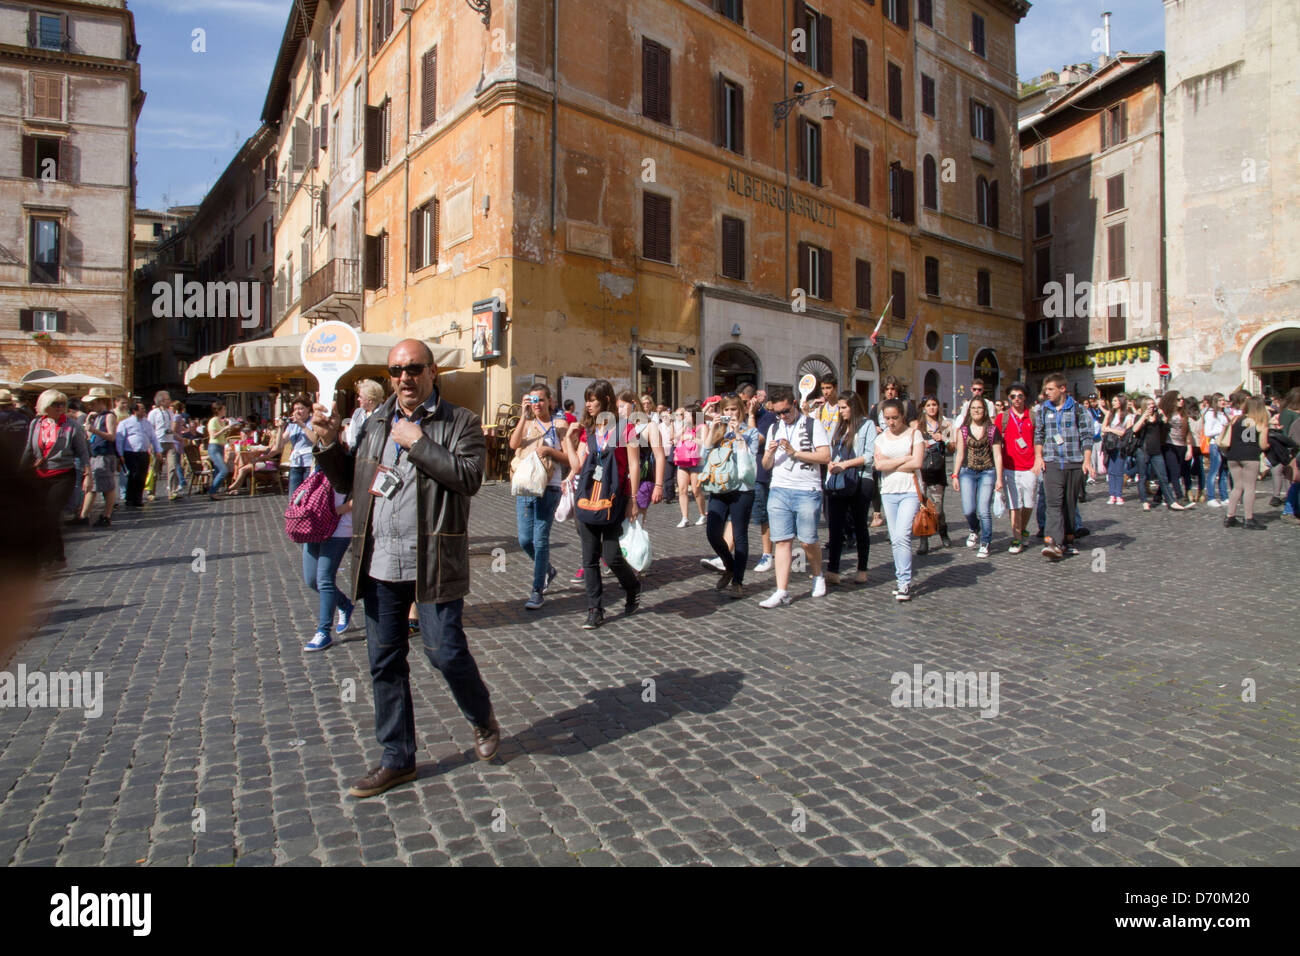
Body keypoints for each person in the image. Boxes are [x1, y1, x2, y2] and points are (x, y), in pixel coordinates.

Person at [310, 338, 499, 798]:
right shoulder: (375, 420)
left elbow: (471, 478)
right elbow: (350, 482)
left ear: (432, 371)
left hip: (433, 558)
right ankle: (398, 759)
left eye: (414, 368)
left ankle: (481, 716)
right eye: (396, 370)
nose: (404, 378)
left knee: (444, 651)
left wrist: (419, 444)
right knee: (384, 661)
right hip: (379, 559)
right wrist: (328, 444)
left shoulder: (460, 422)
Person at [563, 379, 641, 630]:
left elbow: (634, 465)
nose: (588, 404)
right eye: (587, 399)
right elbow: (576, 467)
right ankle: (595, 610)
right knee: (589, 559)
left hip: (613, 500)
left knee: (612, 556)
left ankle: (632, 587)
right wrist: (568, 440)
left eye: (593, 399)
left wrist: (633, 499)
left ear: (606, 400)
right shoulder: (588, 430)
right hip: (586, 499)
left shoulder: (625, 429)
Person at [757, 388, 831, 607]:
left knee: (808, 541)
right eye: (778, 412)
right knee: (781, 541)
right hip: (779, 488)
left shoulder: (812, 425)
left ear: (795, 404)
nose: (782, 416)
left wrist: (795, 453)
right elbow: (765, 466)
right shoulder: (774, 427)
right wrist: (769, 454)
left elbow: (825, 456)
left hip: (807, 489)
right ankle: (782, 591)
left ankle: (818, 575)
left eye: (786, 411)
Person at [509, 383, 568, 610]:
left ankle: (537, 590)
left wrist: (549, 451)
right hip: (525, 486)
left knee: (540, 539)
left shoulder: (559, 424)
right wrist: (523, 417)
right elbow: (513, 445)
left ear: (550, 401)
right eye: (533, 401)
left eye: (541, 400)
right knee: (525, 540)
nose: (537, 405)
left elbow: (566, 458)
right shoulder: (526, 423)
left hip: (549, 487)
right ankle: (547, 570)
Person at [700, 393, 761, 598]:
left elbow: (750, 460)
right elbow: (703, 457)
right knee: (712, 533)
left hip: (742, 489)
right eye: (726, 410)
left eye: (734, 409)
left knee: (740, 535)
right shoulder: (718, 432)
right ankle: (730, 565)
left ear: (741, 411)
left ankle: (738, 581)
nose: (730, 413)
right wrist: (712, 429)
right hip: (719, 488)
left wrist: (739, 435)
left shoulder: (751, 432)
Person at [19, 390, 90, 568]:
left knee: (51, 514)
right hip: (41, 475)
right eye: (55, 405)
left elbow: (82, 452)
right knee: (42, 516)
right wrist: (18, 472)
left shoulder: (71, 425)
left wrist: (88, 475)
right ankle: (58, 557)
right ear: (45, 407)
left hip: (63, 474)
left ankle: (48, 558)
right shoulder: (36, 423)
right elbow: (29, 448)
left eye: (62, 405)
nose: (60, 408)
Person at [1032, 373, 1096, 560]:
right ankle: (1052, 542)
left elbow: (1087, 436)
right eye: (1045, 389)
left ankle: (1067, 541)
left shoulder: (1077, 410)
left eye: (1050, 389)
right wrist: (1039, 457)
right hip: (1051, 462)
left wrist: (1087, 460)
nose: (1047, 393)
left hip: (1074, 462)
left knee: (1069, 505)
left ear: (1062, 389)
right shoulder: (1043, 410)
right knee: (1053, 504)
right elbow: (1039, 435)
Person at [874, 399, 925, 601]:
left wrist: (890, 464)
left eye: (895, 417)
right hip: (888, 491)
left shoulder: (914, 434)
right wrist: (905, 459)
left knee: (903, 535)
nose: (891, 422)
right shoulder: (881, 439)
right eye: (887, 418)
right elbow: (878, 465)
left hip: (910, 489)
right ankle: (900, 579)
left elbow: (918, 462)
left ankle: (904, 582)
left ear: (902, 416)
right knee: (895, 538)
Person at [824, 391, 876, 585]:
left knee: (860, 524)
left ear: (853, 407)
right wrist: (832, 464)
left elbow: (870, 456)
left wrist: (846, 464)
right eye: (839, 408)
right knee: (835, 525)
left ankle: (862, 568)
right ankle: (833, 569)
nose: (841, 411)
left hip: (861, 479)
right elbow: (831, 450)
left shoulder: (867, 425)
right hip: (839, 479)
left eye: (844, 407)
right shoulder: (839, 427)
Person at [302, 478, 356, 652]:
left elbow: (364, 494)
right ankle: (344, 604)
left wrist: (335, 511)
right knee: (312, 580)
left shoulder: (354, 455)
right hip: (315, 523)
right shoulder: (318, 455)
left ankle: (324, 631)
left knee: (324, 579)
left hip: (340, 525)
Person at [951, 396, 1004, 557]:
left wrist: (999, 478)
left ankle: (985, 542)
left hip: (987, 472)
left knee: (983, 509)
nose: (976, 410)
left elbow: (997, 455)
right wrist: (955, 474)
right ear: (969, 411)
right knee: (969, 509)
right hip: (967, 471)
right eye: (973, 408)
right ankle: (974, 528)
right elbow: (960, 454)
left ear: (985, 410)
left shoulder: (992, 429)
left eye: (979, 408)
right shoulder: (964, 430)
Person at [868, 377, 918, 528]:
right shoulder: (877, 407)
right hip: (883, 446)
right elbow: (871, 424)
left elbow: (913, 424)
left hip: (901, 447)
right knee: (877, 480)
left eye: (892, 389)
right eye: (887, 389)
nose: (889, 392)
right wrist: (875, 428)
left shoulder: (906, 405)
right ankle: (877, 513)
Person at [996, 384, 1038, 552]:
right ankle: (1017, 538)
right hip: (1009, 467)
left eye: (1020, 396)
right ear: (1009, 399)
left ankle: (1022, 529)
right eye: (1013, 396)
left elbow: (1038, 440)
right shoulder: (1002, 418)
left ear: (1025, 397)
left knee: (1028, 504)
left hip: (1030, 467)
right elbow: (997, 444)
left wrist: (1038, 462)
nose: (1017, 399)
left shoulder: (1033, 417)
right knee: (1014, 505)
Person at [1222, 396, 1270, 531]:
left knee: (1237, 487)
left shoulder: (1236, 419)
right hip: (1250, 456)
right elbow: (1263, 444)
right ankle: (1248, 519)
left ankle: (1229, 516)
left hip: (1233, 455)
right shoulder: (1260, 422)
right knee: (1249, 488)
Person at [74, 388, 119, 527]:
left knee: (106, 487)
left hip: (105, 454)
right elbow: (90, 437)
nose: (90, 406)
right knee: (92, 486)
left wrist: (93, 430)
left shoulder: (109, 416)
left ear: (100, 402)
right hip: (95, 454)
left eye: (93, 403)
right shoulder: (97, 417)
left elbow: (112, 436)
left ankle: (105, 515)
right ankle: (84, 515)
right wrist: (89, 423)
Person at [916, 397, 954, 554]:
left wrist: (943, 439)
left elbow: (952, 448)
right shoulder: (918, 426)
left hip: (937, 470)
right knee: (923, 507)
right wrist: (920, 445)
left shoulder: (944, 425)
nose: (932, 408)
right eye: (928, 405)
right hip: (922, 470)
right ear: (924, 408)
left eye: (934, 405)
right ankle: (923, 541)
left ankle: (943, 530)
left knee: (937, 508)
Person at [621, 389, 665, 525]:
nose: (619, 410)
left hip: (643, 479)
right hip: (623, 481)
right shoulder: (621, 426)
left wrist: (658, 485)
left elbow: (660, 456)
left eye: (622, 406)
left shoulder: (650, 426)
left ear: (633, 404)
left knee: (636, 523)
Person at [1133, 397, 1184, 512]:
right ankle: (1144, 501)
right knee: (1143, 477)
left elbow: (1166, 429)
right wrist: (1144, 417)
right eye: (1149, 404)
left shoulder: (1158, 416)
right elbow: (1135, 429)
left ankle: (1171, 501)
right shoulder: (1140, 416)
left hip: (1156, 451)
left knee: (1163, 477)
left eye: (1153, 404)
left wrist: (1165, 419)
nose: (1152, 406)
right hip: (1143, 450)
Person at [747, 388, 778, 573]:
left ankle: (768, 554)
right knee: (735, 516)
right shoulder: (736, 416)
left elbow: (755, 440)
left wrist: (751, 416)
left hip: (760, 473)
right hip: (740, 474)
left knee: (762, 516)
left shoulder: (767, 418)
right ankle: (725, 554)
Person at [115, 401, 161, 508]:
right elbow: (120, 439)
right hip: (131, 452)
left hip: (144, 453)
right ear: (135, 411)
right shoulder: (125, 423)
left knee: (142, 475)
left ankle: (138, 498)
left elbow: (153, 437)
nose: (144, 411)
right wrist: (120, 454)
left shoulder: (147, 423)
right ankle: (130, 498)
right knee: (133, 475)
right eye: (142, 409)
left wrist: (158, 450)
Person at [268, 395, 316, 498]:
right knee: (293, 496)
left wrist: (302, 425)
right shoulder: (292, 424)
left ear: (308, 409)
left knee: (307, 495)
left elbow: (315, 440)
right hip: (296, 463)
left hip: (309, 463)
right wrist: (280, 428)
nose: (298, 412)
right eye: (295, 409)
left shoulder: (313, 421)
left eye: (301, 408)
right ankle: (294, 513)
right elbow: (280, 445)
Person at [673, 404, 707, 527]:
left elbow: (704, 443)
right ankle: (684, 517)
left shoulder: (702, 426)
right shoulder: (685, 426)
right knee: (682, 489)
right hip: (683, 460)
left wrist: (691, 437)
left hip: (697, 461)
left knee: (696, 490)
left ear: (693, 414)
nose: (684, 416)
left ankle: (702, 514)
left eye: (686, 414)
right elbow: (675, 438)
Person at [147, 390, 182, 501]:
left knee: (172, 466)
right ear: (161, 401)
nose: (169, 401)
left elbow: (171, 429)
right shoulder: (153, 413)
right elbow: (150, 429)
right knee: (155, 468)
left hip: (169, 442)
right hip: (158, 442)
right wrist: (150, 445)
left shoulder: (170, 413)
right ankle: (151, 492)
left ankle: (173, 491)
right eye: (167, 399)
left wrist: (176, 436)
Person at [1161, 391, 1194, 506]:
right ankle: (1179, 498)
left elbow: (1188, 432)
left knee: (1172, 474)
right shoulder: (1166, 413)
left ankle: (1157, 496)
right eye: (1178, 399)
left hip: (1181, 445)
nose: (1181, 401)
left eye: (1182, 399)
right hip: (1169, 445)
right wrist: (1163, 421)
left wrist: (1189, 448)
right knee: (1175, 472)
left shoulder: (1184, 413)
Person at [1101, 394, 1132, 504]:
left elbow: (1126, 432)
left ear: (1121, 402)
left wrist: (1111, 430)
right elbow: (1103, 427)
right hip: (1109, 444)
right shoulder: (1110, 414)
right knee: (1110, 470)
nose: (1113, 403)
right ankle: (1112, 494)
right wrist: (1112, 430)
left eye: (1115, 401)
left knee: (1119, 470)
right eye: (1113, 400)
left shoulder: (1128, 416)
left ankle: (1118, 494)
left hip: (1120, 445)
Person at [206, 401, 236, 499]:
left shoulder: (220, 421)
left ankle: (215, 491)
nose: (225, 411)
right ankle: (212, 491)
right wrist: (226, 428)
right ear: (218, 410)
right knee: (224, 470)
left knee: (218, 470)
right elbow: (213, 435)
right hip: (214, 447)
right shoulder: (213, 421)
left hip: (221, 446)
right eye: (223, 409)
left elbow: (222, 435)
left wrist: (229, 428)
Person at [345, 379, 385, 449]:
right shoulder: (358, 412)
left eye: (360, 397)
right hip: (355, 454)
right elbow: (351, 436)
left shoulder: (384, 415)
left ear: (370, 400)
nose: (358, 399)